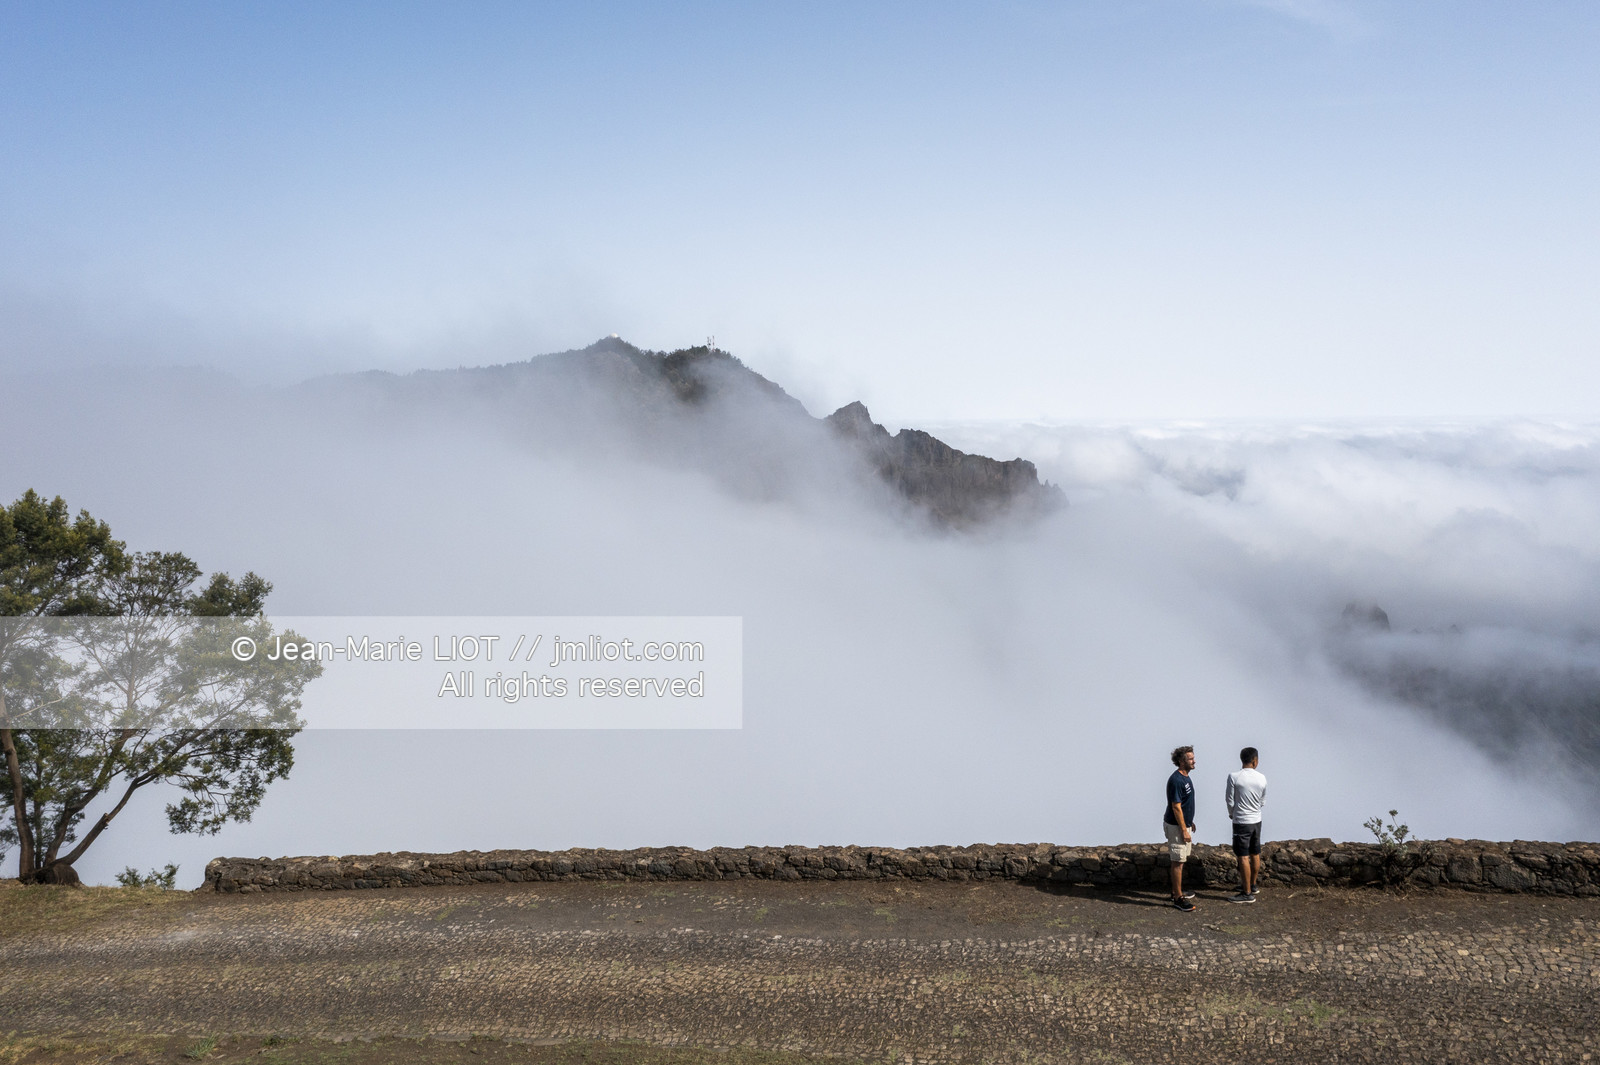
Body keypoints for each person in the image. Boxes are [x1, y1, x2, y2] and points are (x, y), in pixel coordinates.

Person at [1225, 747, 1268, 903]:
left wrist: (1232, 813)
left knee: (1243, 856)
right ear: (1255, 760)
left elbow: (1229, 800)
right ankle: (1252, 884)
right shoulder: (1262, 778)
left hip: (1241, 821)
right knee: (1255, 852)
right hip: (1256, 820)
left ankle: (1246, 892)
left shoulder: (1234, 777)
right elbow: (1263, 800)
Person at [1164, 745, 1198, 911]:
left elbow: (1185, 804)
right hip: (1176, 826)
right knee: (1177, 861)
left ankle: (1176, 891)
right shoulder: (1177, 780)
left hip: (1183, 824)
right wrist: (1184, 829)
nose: (1194, 761)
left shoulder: (1186, 777)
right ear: (1180, 761)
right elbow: (1176, 806)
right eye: (1190, 759)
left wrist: (1189, 821)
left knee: (1180, 860)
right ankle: (1178, 898)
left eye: (1193, 758)